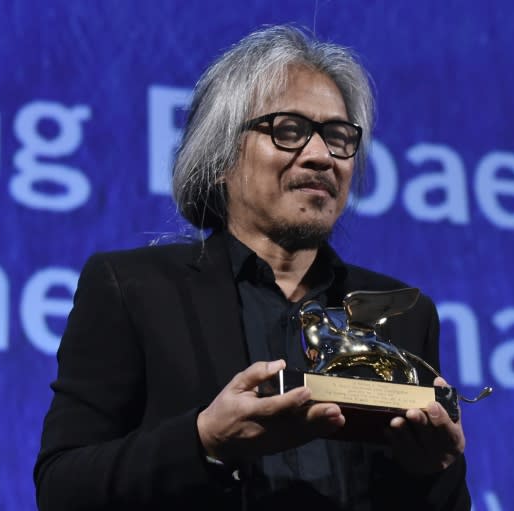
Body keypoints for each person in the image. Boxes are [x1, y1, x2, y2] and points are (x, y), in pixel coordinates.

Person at [34, 25, 470, 511]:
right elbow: (62, 488)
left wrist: (435, 472)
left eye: (339, 137)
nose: (322, 156)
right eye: (289, 131)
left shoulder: (407, 317)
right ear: (220, 156)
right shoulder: (132, 289)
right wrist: (204, 443)